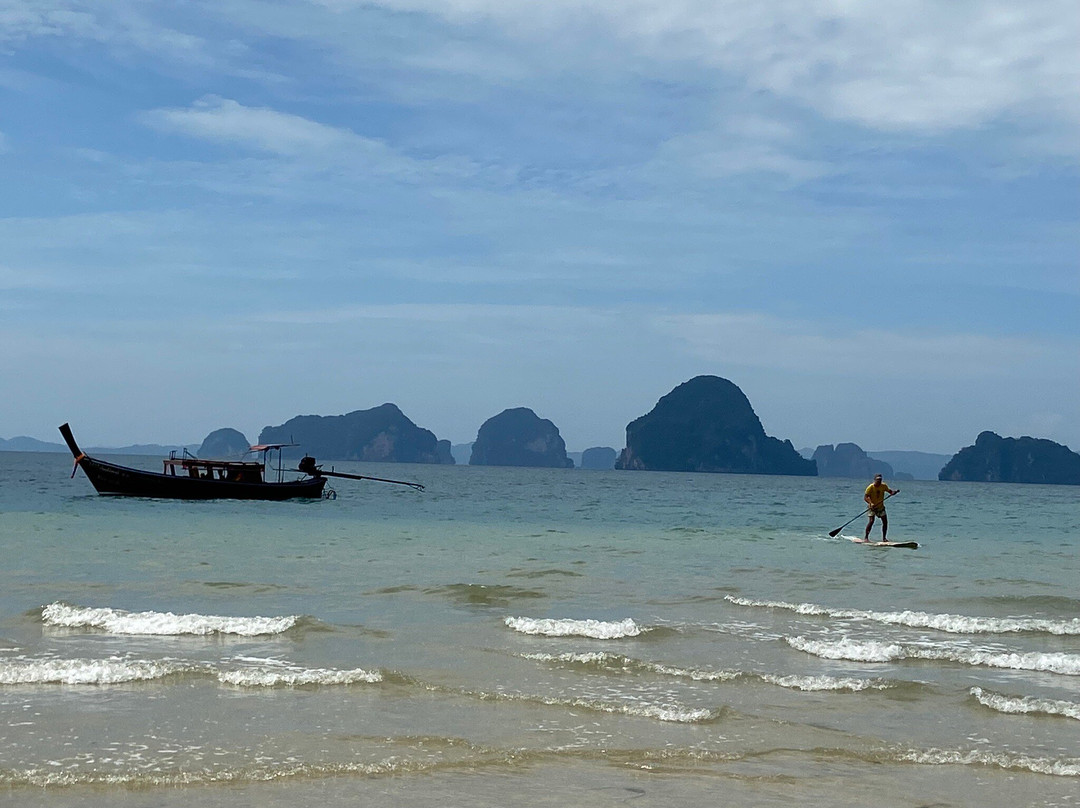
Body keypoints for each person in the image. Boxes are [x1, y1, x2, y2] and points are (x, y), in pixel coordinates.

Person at [864, 473, 900, 541]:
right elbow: (865, 497)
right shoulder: (870, 487)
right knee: (871, 521)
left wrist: (893, 492)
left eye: (880, 480)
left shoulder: (883, 486)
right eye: (878, 480)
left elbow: (890, 491)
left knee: (885, 522)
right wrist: (871, 503)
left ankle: (884, 538)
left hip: (880, 507)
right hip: (872, 507)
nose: (879, 481)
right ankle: (866, 537)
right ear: (875, 480)